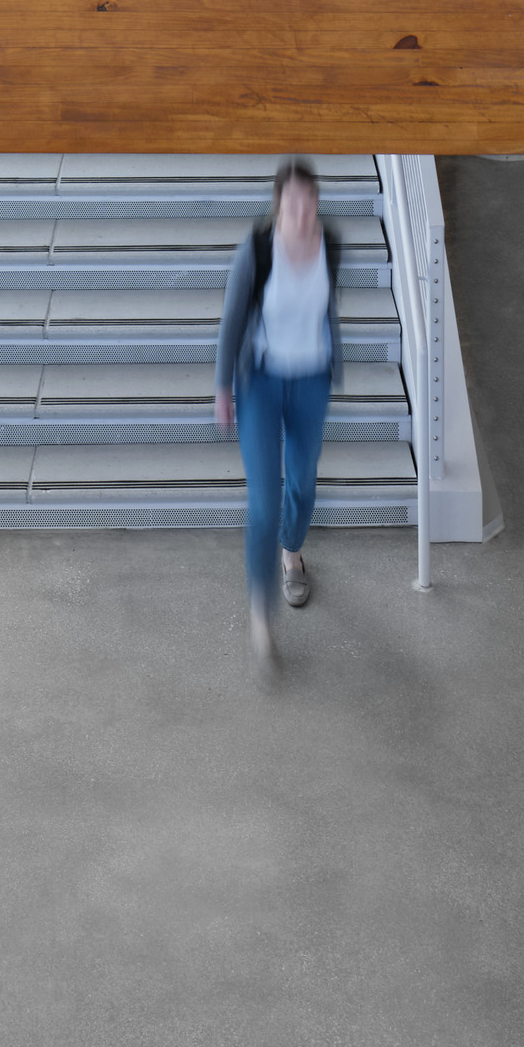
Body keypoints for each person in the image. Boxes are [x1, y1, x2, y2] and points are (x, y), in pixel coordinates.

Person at [215, 156, 339, 665]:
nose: (303, 212)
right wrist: (223, 385)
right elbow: (232, 317)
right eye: (293, 203)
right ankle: (261, 617)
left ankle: (293, 551)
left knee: (303, 484)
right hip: (261, 382)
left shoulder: (331, 246)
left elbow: (328, 308)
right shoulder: (258, 249)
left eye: (310, 202)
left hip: (311, 380)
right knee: (263, 501)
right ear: (278, 205)